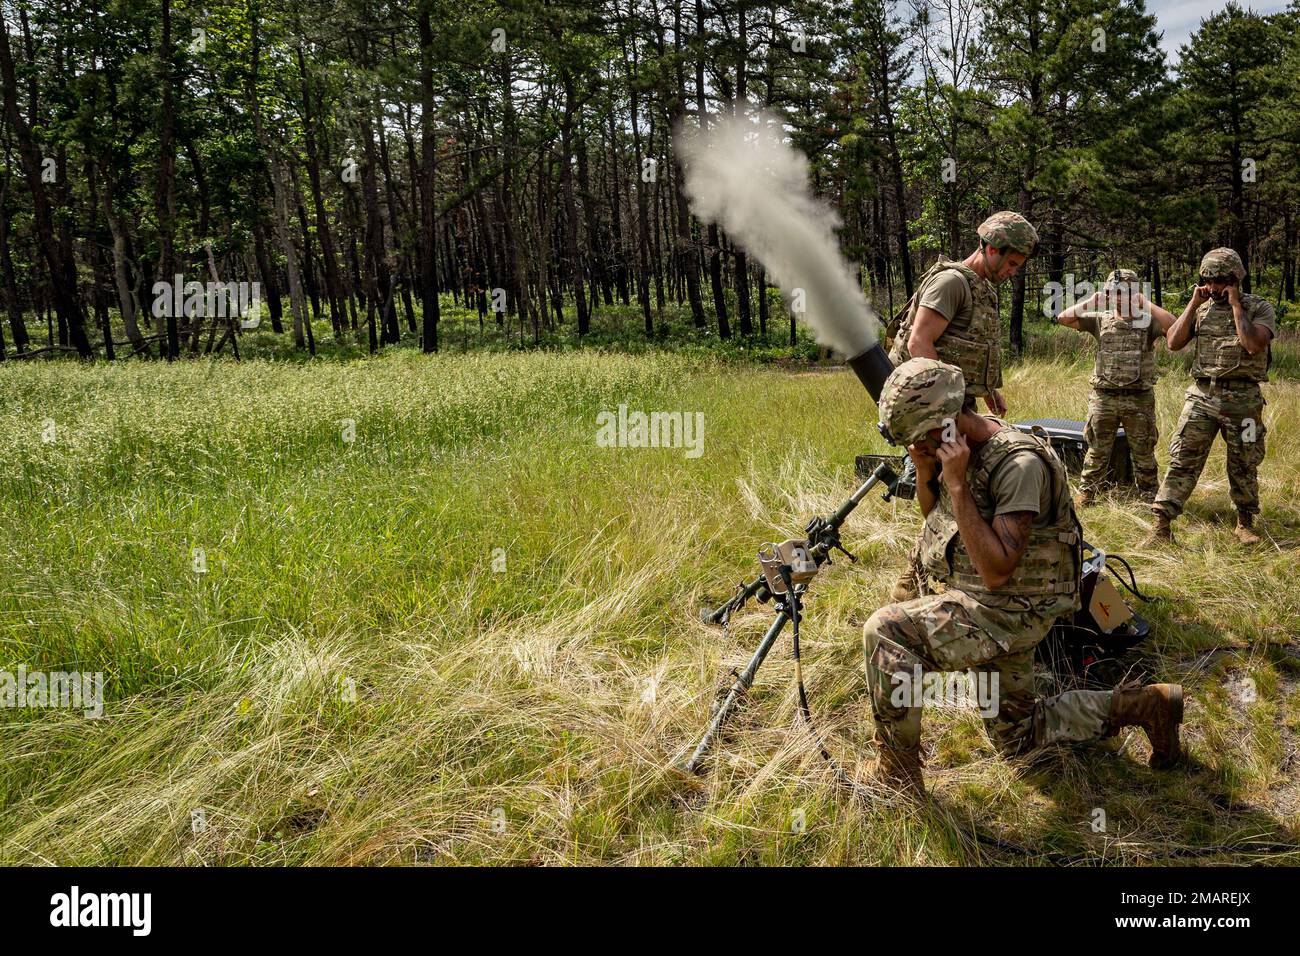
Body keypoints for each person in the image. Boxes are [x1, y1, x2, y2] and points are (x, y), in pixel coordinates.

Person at [862, 357, 1185, 795]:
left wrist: (956, 485)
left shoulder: (1019, 465)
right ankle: (1149, 706)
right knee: (1019, 738)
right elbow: (938, 522)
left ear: (947, 424)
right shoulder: (954, 448)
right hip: (984, 602)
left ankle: (896, 780)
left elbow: (996, 571)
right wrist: (927, 474)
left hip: (1011, 612)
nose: (916, 447)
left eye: (920, 439)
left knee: (888, 632)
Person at [887, 211, 1037, 601]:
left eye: (1018, 265)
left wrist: (988, 390)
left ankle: (947, 570)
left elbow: (970, 347)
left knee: (962, 487)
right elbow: (921, 343)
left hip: (954, 403)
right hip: (934, 408)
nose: (1012, 271)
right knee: (947, 488)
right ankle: (915, 579)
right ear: (989, 248)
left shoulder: (982, 287)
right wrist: (948, 414)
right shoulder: (952, 283)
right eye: (1010, 262)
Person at [1143, 248, 1274, 547]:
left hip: (1245, 402)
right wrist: (1192, 304)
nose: (1214, 287)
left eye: (1220, 281)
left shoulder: (1259, 308)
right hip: (1202, 397)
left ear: (1235, 279)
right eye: (1209, 280)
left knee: (1244, 462)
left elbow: (1253, 345)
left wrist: (1236, 305)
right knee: (1182, 460)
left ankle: (1245, 523)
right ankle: (1161, 526)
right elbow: (1174, 342)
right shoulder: (1200, 309)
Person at [1056, 269, 1177, 505]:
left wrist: (1146, 302)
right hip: (1104, 397)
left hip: (1139, 398)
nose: (1118, 298)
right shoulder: (1100, 319)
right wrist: (1091, 301)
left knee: (1143, 450)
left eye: (1124, 293)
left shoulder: (1147, 321)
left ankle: (1148, 494)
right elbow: (1063, 318)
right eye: (1114, 293)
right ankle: (1088, 493)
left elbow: (1173, 325)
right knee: (1097, 449)